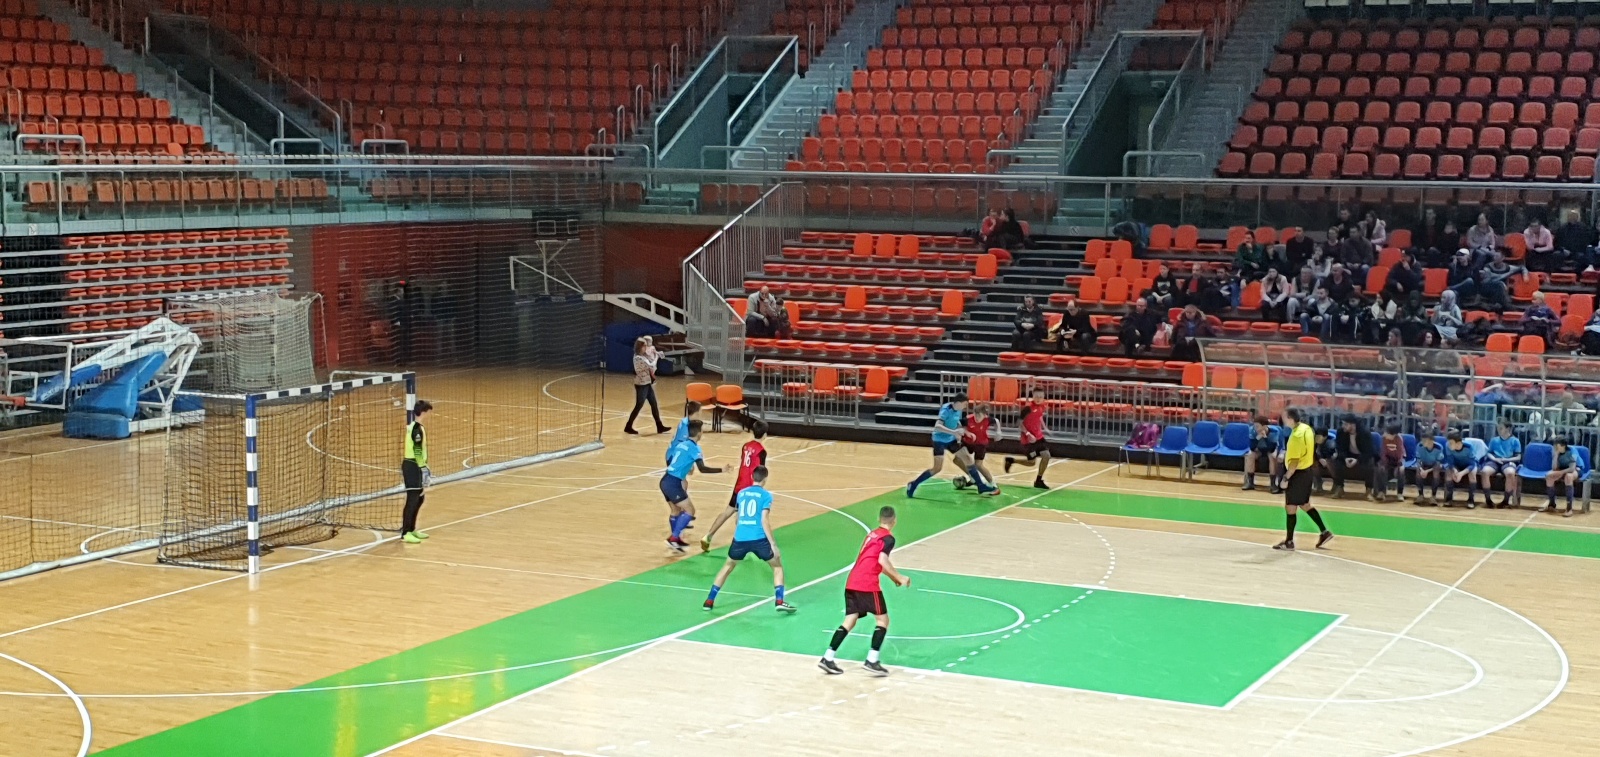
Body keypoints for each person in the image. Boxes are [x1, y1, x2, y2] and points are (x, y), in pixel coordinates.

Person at [819, 505, 911, 676]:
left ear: (879, 519)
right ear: (894, 520)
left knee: (850, 619)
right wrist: (900, 577)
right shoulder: (888, 538)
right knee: (882, 620)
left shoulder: (872, 535)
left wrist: (893, 578)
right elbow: (882, 560)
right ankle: (872, 660)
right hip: (867, 584)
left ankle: (827, 657)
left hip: (852, 581)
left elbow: (874, 560)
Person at [703, 466, 797, 613]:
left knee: (727, 567)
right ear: (765, 479)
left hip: (740, 538)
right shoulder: (766, 496)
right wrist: (773, 544)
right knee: (777, 567)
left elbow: (738, 518)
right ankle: (779, 601)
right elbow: (764, 520)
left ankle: (709, 600)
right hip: (759, 538)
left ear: (752, 477)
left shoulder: (741, 493)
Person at [906, 394, 997, 497]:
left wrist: (965, 432)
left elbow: (957, 423)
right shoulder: (946, 410)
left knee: (967, 458)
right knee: (937, 468)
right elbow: (937, 426)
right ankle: (913, 484)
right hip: (939, 441)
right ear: (959, 402)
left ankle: (980, 486)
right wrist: (953, 432)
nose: (965, 407)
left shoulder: (959, 410)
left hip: (951, 440)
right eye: (965, 404)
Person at [700, 419, 768, 553]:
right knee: (744, 517)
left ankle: (708, 536)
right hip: (750, 487)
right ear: (765, 435)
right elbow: (760, 471)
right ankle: (743, 544)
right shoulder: (761, 451)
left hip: (739, 484)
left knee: (727, 512)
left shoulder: (746, 446)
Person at [1277, 408, 1335, 551]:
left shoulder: (1296, 437)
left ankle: (1289, 541)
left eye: (1284, 417)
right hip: (1307, 472)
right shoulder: (1306, 428)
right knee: (1304, 504)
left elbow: (1294, 462)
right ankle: (1324, 532)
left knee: (1291, 507)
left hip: (1298, 474)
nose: (1282, 419)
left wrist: (1285, 478)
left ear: (1290, 419)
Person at [661, 420, 723, 552]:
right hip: (673, 483)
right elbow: (703, 469)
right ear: (699, 433)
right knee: (690, 510)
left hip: (665, 480)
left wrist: (686, 466)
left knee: (675, 511)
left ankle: (676, 540)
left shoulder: (681, 444)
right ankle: (673, 538)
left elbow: (673, 459)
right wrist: (722, 470)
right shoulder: (695, 448)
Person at [1003, 386, 1052, 489]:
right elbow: (1019, 422)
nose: (1038, 398)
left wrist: (1045, 428)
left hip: (1038, 437)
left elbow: (1039, 416)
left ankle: (1039, 480)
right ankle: (1011, 461)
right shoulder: (1028, 408)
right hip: (1028, 440)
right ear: (1033, 396)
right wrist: (1028, 434)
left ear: (1043, 397)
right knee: (1031, 463)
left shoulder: (1042, 406)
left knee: (1046, 455)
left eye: (1041, 396)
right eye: (1036, 396)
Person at [400, 399, 434, 544]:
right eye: (429, 412)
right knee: (413, 498)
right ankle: (406, 532)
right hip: (412, 465)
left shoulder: (416, 427)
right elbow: (417, 449)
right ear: (424, 412)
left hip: (416, 465)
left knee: (419, 498)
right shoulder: (416, 429)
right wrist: (423, 467)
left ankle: (412, 529)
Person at [624, 336, 673, 435]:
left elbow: (650, 360)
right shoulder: (638, 358)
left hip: (647, 383)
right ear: (640, 347)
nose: (646, 348)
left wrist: (656, 353)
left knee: (654, 404)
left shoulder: (643, 356)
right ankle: (628, 426)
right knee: (639, 405)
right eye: (644, 346)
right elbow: (651, 365)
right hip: (641, 385)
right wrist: (657, 357)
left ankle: (659, 426)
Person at [1480, 421, 1523, 509]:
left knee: (1510, 473)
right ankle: (1488, 500)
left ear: (1508, 429)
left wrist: (1506, 459)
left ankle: (1505, 501)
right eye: (1498, 428)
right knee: (1484, 472)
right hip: (1495, 461)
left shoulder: (1515, 441)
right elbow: (1489, 453)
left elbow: (1518, 457)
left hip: (1508, 461)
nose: (1498, 430)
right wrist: (1494, 459)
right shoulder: (1494, 440)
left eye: (1501, 428)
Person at [1331, 415, 1375, 499]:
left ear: (1353, 425)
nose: (1343, 426)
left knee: (1370, 462)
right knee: (1336, 460)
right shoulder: (1341, 432)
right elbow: (1339, 449)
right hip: (1347, 455)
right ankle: (1339, 488)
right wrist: (1345, 458)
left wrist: (1357, 460)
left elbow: (1369, 452)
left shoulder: (1364, 433)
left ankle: (1369, 490)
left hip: (1362, 456)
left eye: (1345, 424)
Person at [962, 403, 1000, 490]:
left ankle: (993, 484)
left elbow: (996, 421)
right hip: (968, 443)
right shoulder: (968, 419)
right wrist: (967, 432)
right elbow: (959, 424)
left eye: (979, 415)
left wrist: (998, 431)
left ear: (985, 415)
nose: (976, 417)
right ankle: (973, 477)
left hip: (981, 444)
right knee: (958, 459)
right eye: (975, 414)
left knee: (978, 465)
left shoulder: (988, 420)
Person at [1242, 415, 1283, 494]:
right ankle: (1250, 482)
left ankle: (1273, 484)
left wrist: (1265, 438)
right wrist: (1258, 438)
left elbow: (1272, 449)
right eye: (1254, 426)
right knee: (1250, 455)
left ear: (1264, 426)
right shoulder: (1252, 430)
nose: (1255, 428)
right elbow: (1252, 447)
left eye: (1257, 426)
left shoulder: (1274, 431)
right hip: (1259, 449)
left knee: (1273, 457)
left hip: (1270, 449)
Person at [1442, 431, 1480, 507]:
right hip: (1456, 465)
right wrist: (1454, 470)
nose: (1449, 444)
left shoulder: (1468, 447)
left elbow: (1472, 464)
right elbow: (1450, 461)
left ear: (1458, 443)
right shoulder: (1448, 446)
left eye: (1451, 443)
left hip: (1469, 465)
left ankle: (1471, 499)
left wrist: (1461, 474)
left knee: (1472, 475)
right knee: (1448, 473)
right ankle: (1449, 499)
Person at [1545, 437, 1581, 516]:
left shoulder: (1572, 451)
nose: (1555, 446)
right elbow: (1554, 468)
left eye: (1556, 445)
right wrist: (1556, 455)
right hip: (1562, 469)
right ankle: (1551, 504)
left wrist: (1560, 472)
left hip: (1576, 469)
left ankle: (1569, 508)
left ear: (1563, 445)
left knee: (1568, 477)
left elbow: (1572, 468)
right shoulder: (1556, 451)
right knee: (1549, 476)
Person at [1374, 422, 1407, 502]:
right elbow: (1383, 452)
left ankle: (1399, 493)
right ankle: (1381, 492)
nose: (1384, 434)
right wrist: (1385, 463)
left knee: (1400, 471)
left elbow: (1400, 454)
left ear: (1393, 434)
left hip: (1398, 459)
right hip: (1387, 458)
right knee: (1380, 469)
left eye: (1387, 433)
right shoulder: (1383, 439)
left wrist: (1398, 464)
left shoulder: (1399, 439)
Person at [1413, 433, 1444, 505]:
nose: (1422, 442)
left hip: (1434, 465)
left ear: (1431, 441)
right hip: (1423, 464)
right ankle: (1420, 495)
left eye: (1425, 441)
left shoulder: (1439, 447)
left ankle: (1433, 496)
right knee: (1418, 472)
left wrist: (1427, 471)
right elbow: (1418, 461)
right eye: (1422, 440)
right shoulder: (1419, 446)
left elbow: (1438, 463)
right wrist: (1421, 470)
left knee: (1436, 474)